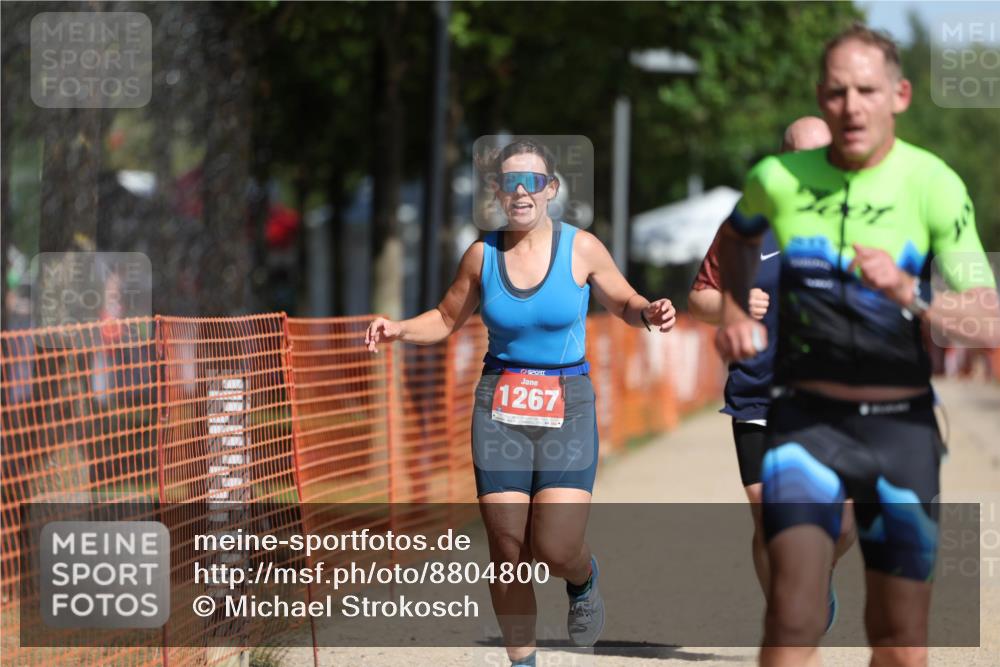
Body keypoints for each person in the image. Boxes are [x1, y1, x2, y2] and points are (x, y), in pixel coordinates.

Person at [714, 24, 998, 667]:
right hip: (804, 421)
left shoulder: (933, 183)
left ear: (898, 94)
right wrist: (733, 307)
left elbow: (987, 318)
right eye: (837, 92)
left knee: (901, 642)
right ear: (821, 96)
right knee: (793, 616)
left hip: (899, 429)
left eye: (867, 90)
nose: (852, 106)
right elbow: (733, 240)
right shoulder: (778, 178)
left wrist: (911, 293)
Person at [365, 138, 676, 667]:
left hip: (568, 404)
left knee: (554, 545)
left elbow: (622, 300)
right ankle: (523, 663)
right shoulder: (481, 255)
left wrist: (649, 310)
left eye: (533, 181)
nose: (522, 192)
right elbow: (444, 318)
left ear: (550, 189)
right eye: (511, 182)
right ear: (498, 191)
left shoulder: (581, 248)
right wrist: (397, 329)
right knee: (508, 547)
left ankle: (583, 579)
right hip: (499, 404)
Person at [688, 116, 855, 633]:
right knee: (768, 518)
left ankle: (819, 569)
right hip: (759, 396)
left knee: (843, 522)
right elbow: (699, 297)